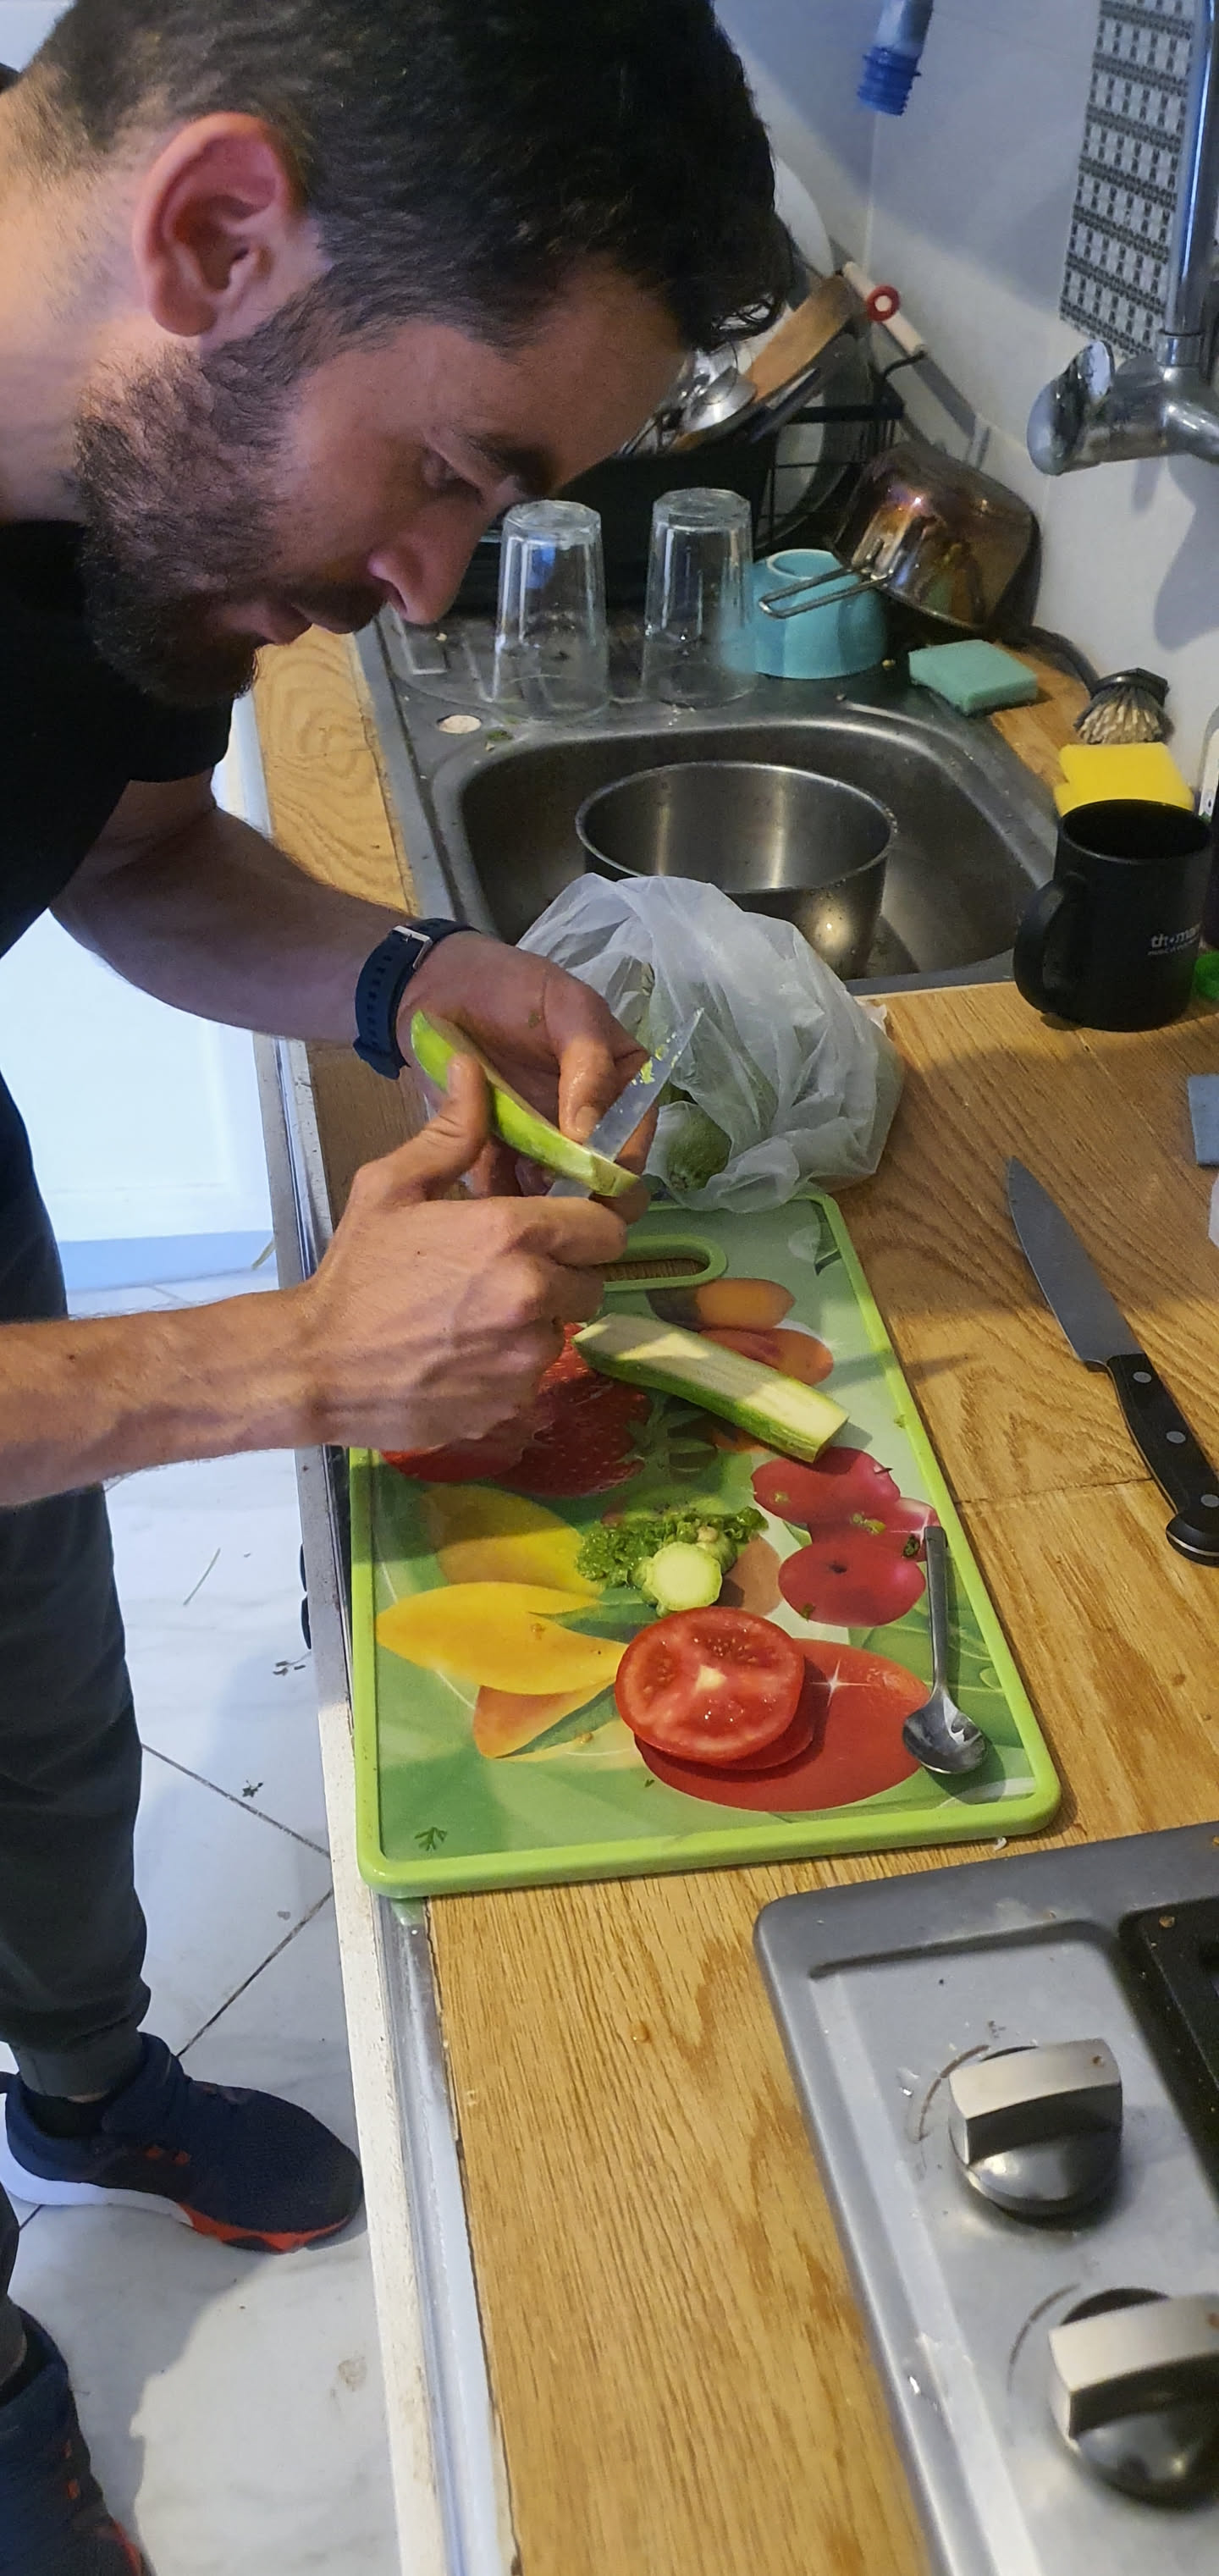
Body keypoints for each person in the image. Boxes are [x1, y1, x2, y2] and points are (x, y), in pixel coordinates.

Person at [0, 0, 789, 2563]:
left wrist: (403, 971)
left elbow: (127, 853)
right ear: (222, 230)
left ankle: (81, 2077)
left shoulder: (129, 484)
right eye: (454, 471)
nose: (419, 588)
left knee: (39, 1723)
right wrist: (281, 1362)